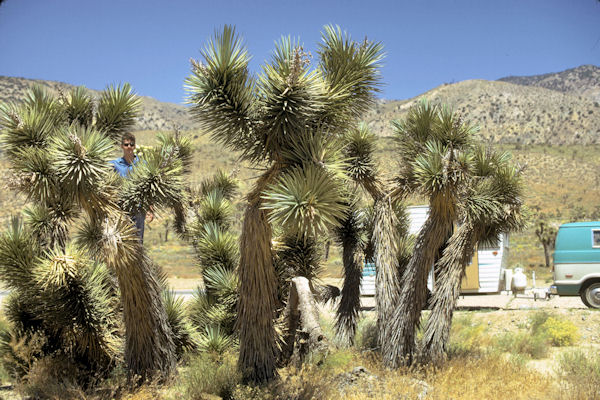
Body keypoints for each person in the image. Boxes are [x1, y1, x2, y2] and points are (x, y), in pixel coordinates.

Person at [110, 132, 153, 242]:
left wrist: (150, 208)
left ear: (134, 146)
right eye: (126, 144)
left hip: (138, 209)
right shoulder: (116, 164)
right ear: (121, 146)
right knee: (122, 242)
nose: (129, 147)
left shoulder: (142, 164)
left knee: (138, 242)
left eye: (131, 144)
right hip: (122, 209)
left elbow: (148, 186)